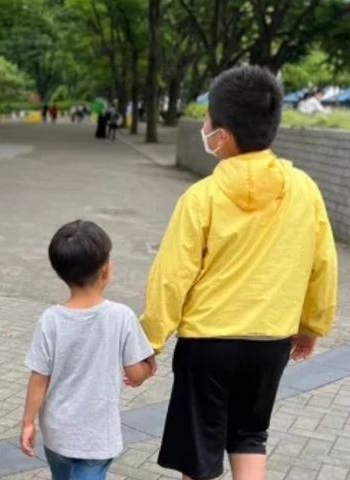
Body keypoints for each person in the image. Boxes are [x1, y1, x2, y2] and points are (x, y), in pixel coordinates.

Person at [142, 65, 338, 480]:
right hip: (271, 340)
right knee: (250, 437)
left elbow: (172, 277)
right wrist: (311, 325)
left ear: (224, 135)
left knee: (200, 451)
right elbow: (322, 264)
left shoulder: (202, 197)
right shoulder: (304, 189)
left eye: (207, 120)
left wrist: (150, 342)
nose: (204, 127)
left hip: (208, 343)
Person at [21, 220, 154, 480]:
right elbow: (135, 374)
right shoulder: (121, 316)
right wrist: (147, 368)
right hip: (97, 438)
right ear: (106, 270)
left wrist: (28, 422)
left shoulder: (51, 319)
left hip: (57, 434)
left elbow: (39, 378)